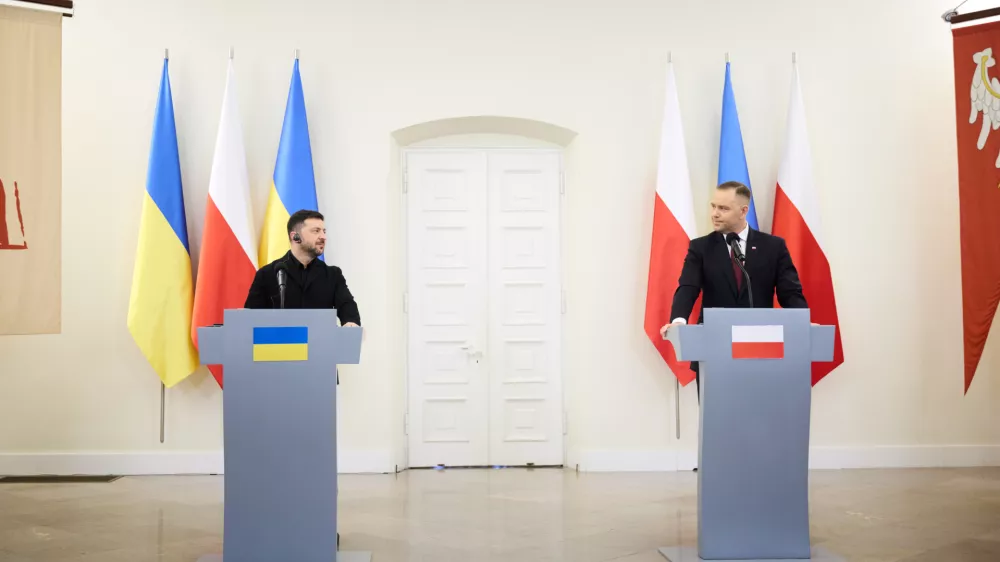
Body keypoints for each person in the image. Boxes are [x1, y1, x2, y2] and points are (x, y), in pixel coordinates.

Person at [243, 209, 359, 550]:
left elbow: (348, 309)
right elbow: (248, 323)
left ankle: (317, 524)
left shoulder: (333, 275)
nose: (323, 236)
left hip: (317, 382)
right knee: (275, 456)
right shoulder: (269, 275)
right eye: (316, 230)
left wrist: (350, 324)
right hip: (273, 383)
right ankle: (273, 521)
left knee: (314, 457)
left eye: (325, 230)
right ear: (296, 237)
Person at [660, 181, 808, 396]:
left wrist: (801, 321)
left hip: (760, 348)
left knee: (759, 420)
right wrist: (678, 320)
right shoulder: (700, 247)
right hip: (713, 347)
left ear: (743, 211)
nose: (715, 214)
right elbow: (687, 287)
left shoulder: (773, 247)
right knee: (717, 424)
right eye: (713, 206)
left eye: (724, 208)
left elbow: (789, 292)